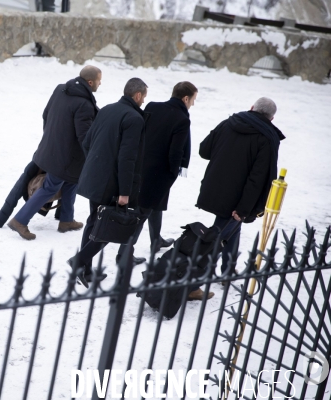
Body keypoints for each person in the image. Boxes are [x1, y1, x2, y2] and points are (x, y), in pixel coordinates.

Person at [68, 77, 149, 287]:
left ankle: (84, 271)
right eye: (144, 97)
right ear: (138, 95)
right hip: (111, 184)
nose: (143, 101)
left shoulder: (106, 109)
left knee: (94, 221)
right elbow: (127, 158)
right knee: (108, 227)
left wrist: (96, 164)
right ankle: (79, 263)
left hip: (94, 176)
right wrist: (124, 192)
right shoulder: (134, 118)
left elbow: (87, 142)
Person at [197, 97, 284, 287]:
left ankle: (227, 271)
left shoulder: (229, 122)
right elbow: (259, 178)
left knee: (231, 229)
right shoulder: (267, 138)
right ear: (272, 118)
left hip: (215, 187)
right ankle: (194, 279)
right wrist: (244, 209)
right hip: (238, 197)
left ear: (252, 108)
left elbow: (204, 150)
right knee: (218, 236)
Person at [7, 65, 101, 240]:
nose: (100, 84)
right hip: (65, 157)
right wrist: (93, 157)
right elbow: (84, 137)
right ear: (90, 82)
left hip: (53, 149)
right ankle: (20, 220)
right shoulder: (85, 105)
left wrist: (50, 138)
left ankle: (66, 220)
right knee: (50, 187)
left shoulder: (61, 89)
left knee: (72, 182)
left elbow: (46, 114)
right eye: (98, 81)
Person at [116, 81, 198, 264]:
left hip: (141, 165)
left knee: (155, 205)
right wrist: (171, 174)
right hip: (159, 173)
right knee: (141, 213)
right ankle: (124, 254)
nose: (193, 103)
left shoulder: (153, 106)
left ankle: (156, 240)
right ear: (185, 98)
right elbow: (176, 152)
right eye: (193, 99)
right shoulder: (182, 119)